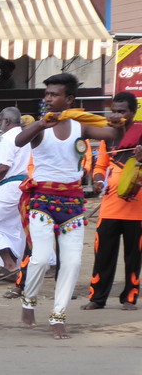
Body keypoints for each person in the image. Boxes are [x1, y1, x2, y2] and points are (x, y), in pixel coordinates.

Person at [14, 73, 124, 339]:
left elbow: (113, 136)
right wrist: (41, 123)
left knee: (73, 263)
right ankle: (28, 301)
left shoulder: (80, 126)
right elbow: (19, 141)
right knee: (40, 258)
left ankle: (58, 316)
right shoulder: (41, 127)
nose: (48, 99)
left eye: (54, 94)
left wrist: (118, 123)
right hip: (42, 199)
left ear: (69, 99)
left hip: (73, 203)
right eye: (47, 94)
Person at [82, 92, 142, 311]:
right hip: (109, 207)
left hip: (137, 209)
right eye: (114, 111)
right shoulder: (107, 135)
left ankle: (129, 298)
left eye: (122, 111)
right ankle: (97, 298)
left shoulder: (141, 133)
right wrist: (98, 180)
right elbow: (100, 167)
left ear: (133, 113)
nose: (116, 115)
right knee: (103, 255)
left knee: (133, 256)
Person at [0, 107, 30, 282]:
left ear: (7, 121)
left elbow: (3, 166)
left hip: (9, 186)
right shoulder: (24, 137)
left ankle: (10, 265)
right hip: (22, 187)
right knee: (12, 227)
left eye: (0, 120)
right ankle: (11, 267)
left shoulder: (10, 138)